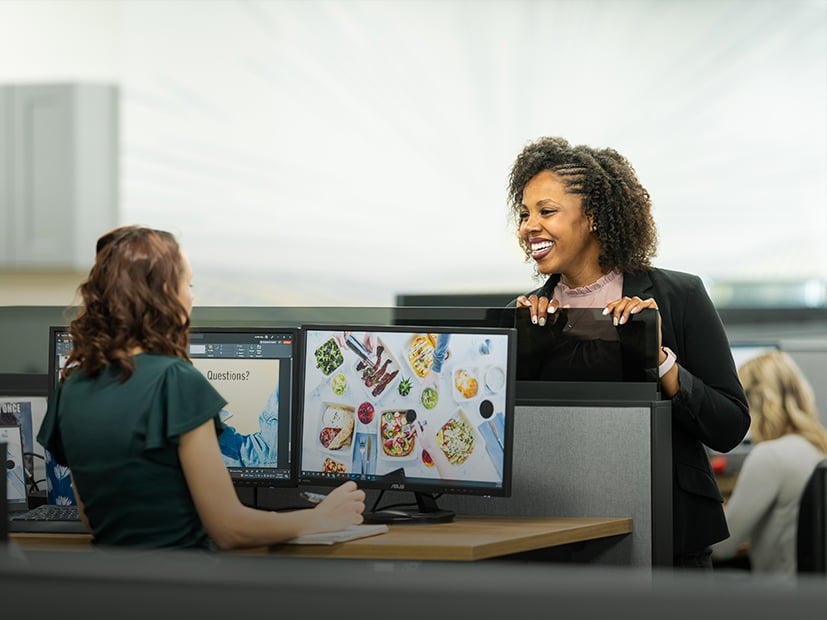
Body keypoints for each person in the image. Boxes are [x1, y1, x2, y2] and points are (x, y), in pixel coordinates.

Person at [37, 225, 364, 550]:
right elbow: (229, 529)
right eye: (188, 283)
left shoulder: (72, 387)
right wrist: (320, 517)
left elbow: (91, 518)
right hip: (182, 589)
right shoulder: (175, 379)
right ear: (165, 292)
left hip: (113, 592)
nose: (193, 296)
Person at [509, 137, 750, 568]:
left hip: (668, 535)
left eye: (546, 211)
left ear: (594, 217)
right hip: (556, 536)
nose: (529, 226)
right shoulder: (527, 315)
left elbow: (729, 425)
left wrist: (660, 360)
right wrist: (524, 350)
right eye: (525, 214)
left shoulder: (679, 296)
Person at [711, 351, 827, 576]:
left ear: (756, 403)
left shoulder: (770, 456)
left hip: (778, 597)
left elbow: (721, 546)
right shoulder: (817, 449)